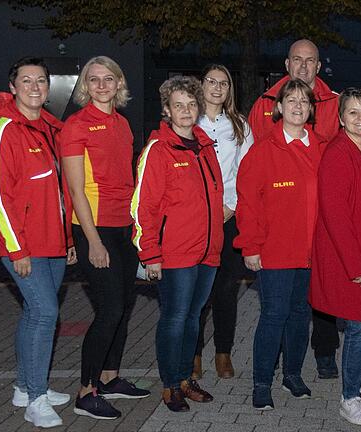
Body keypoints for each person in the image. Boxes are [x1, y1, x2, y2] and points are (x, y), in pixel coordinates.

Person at [0, 57, 75, 429]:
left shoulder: (51, 129)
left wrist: (68, 238)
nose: (35, 87)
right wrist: (15, 248)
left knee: (35, 315)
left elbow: (60, 191)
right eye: (27, 80)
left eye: (41, 81)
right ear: (13, 87)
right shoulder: (4, 130)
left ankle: (24, 385)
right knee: (45, 313)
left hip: (52, 242)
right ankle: (36, 398)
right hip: (22, 245)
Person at [59, 56, 150, 421]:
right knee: (109, 308)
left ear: (119, 83)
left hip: (122, 225)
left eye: (107, 79)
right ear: (85, 85)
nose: (100, 85)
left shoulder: (123, 124)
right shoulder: (76, 126)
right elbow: (76, 191)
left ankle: (111, 378)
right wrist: (92, 242)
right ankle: (86, 391)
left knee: (125, 305)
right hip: (92, 227)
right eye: (93, 80)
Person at [248, 39, 341, 379]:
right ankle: (264, 375)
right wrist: (253, 244)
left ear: (319, 65)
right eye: (297, 60)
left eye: (310, 60)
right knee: (275, 312)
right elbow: (254, 188)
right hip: (277, 237)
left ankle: (308, 363)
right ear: (287, 65)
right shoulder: (263, 109)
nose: (303, 66)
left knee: (308, 308)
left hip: (313, 235)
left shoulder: (333, 108)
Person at [131, 75, 223, 412]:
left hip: (208, 251)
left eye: (190, 104)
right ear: (167, 110)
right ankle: (170, 385)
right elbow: (143, 208)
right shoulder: (158, 150)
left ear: (199, 108)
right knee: (174, 318)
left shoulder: (204, 145)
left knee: (193, 317)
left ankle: (185, 378)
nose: (185, 110)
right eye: (178, 105)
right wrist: (150, 253)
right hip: (175, 253)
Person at [236, 78, 327, 410]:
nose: (298, 106)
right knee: (274, 315)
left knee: (301, 315)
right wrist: (250, 246)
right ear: (278, 107)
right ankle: (262, 382)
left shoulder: (321, 147)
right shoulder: (262, 150)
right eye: (291, 101)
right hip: (274, 250)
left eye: (304, 101)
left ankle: (292, 375)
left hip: (311, 252)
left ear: (311, 109)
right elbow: (247, 202)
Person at [309, 88, 361, 426]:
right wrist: (354, 264)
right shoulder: (337, 154)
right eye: (353, 112)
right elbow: (335, 215)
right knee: (360, 328)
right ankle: (348, 397)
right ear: (341, 118)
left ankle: (358, 386)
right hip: (354, 254)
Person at [193, 64, 253, 380]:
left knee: (226, 289)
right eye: (211, 81)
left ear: (230, 90)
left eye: (224, 83)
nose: (217, 88)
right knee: (198, 290)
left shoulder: (240, 125)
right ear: (201, 85)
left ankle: (223, 353)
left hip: (229, 215)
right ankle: (194, 354)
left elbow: (248, 171)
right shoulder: (189, 120)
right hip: (196, 218)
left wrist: (233, 205)